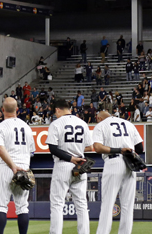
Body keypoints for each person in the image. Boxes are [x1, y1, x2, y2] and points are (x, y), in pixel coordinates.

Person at [93, 110, 144, 234]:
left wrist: (120, 149)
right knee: (127, 206)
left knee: (107, 204)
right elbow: (140, 148)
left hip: (113, 162)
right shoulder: (128, 123)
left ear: (99, 118)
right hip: (130, 163)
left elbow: (98, 148)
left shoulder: (101, 125)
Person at [47, 98, 92, 234]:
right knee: (82, 204)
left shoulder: (56, 124)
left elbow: (53, 149)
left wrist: (70, 156)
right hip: (80, 165)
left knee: (57, 204)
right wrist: (76, 151)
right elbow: (90, 147)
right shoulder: (82, 123)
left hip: (63, 165)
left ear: (57, 110)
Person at [0, 97, 34, 234]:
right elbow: (31, 151)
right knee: (22, 207)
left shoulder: (0, 127)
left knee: (1, 207)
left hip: (6, 167)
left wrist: (13, 166)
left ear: (2, 110)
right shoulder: (26, 127)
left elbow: (0, 148)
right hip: (24, 167)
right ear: (17, 109)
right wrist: (23, 166)